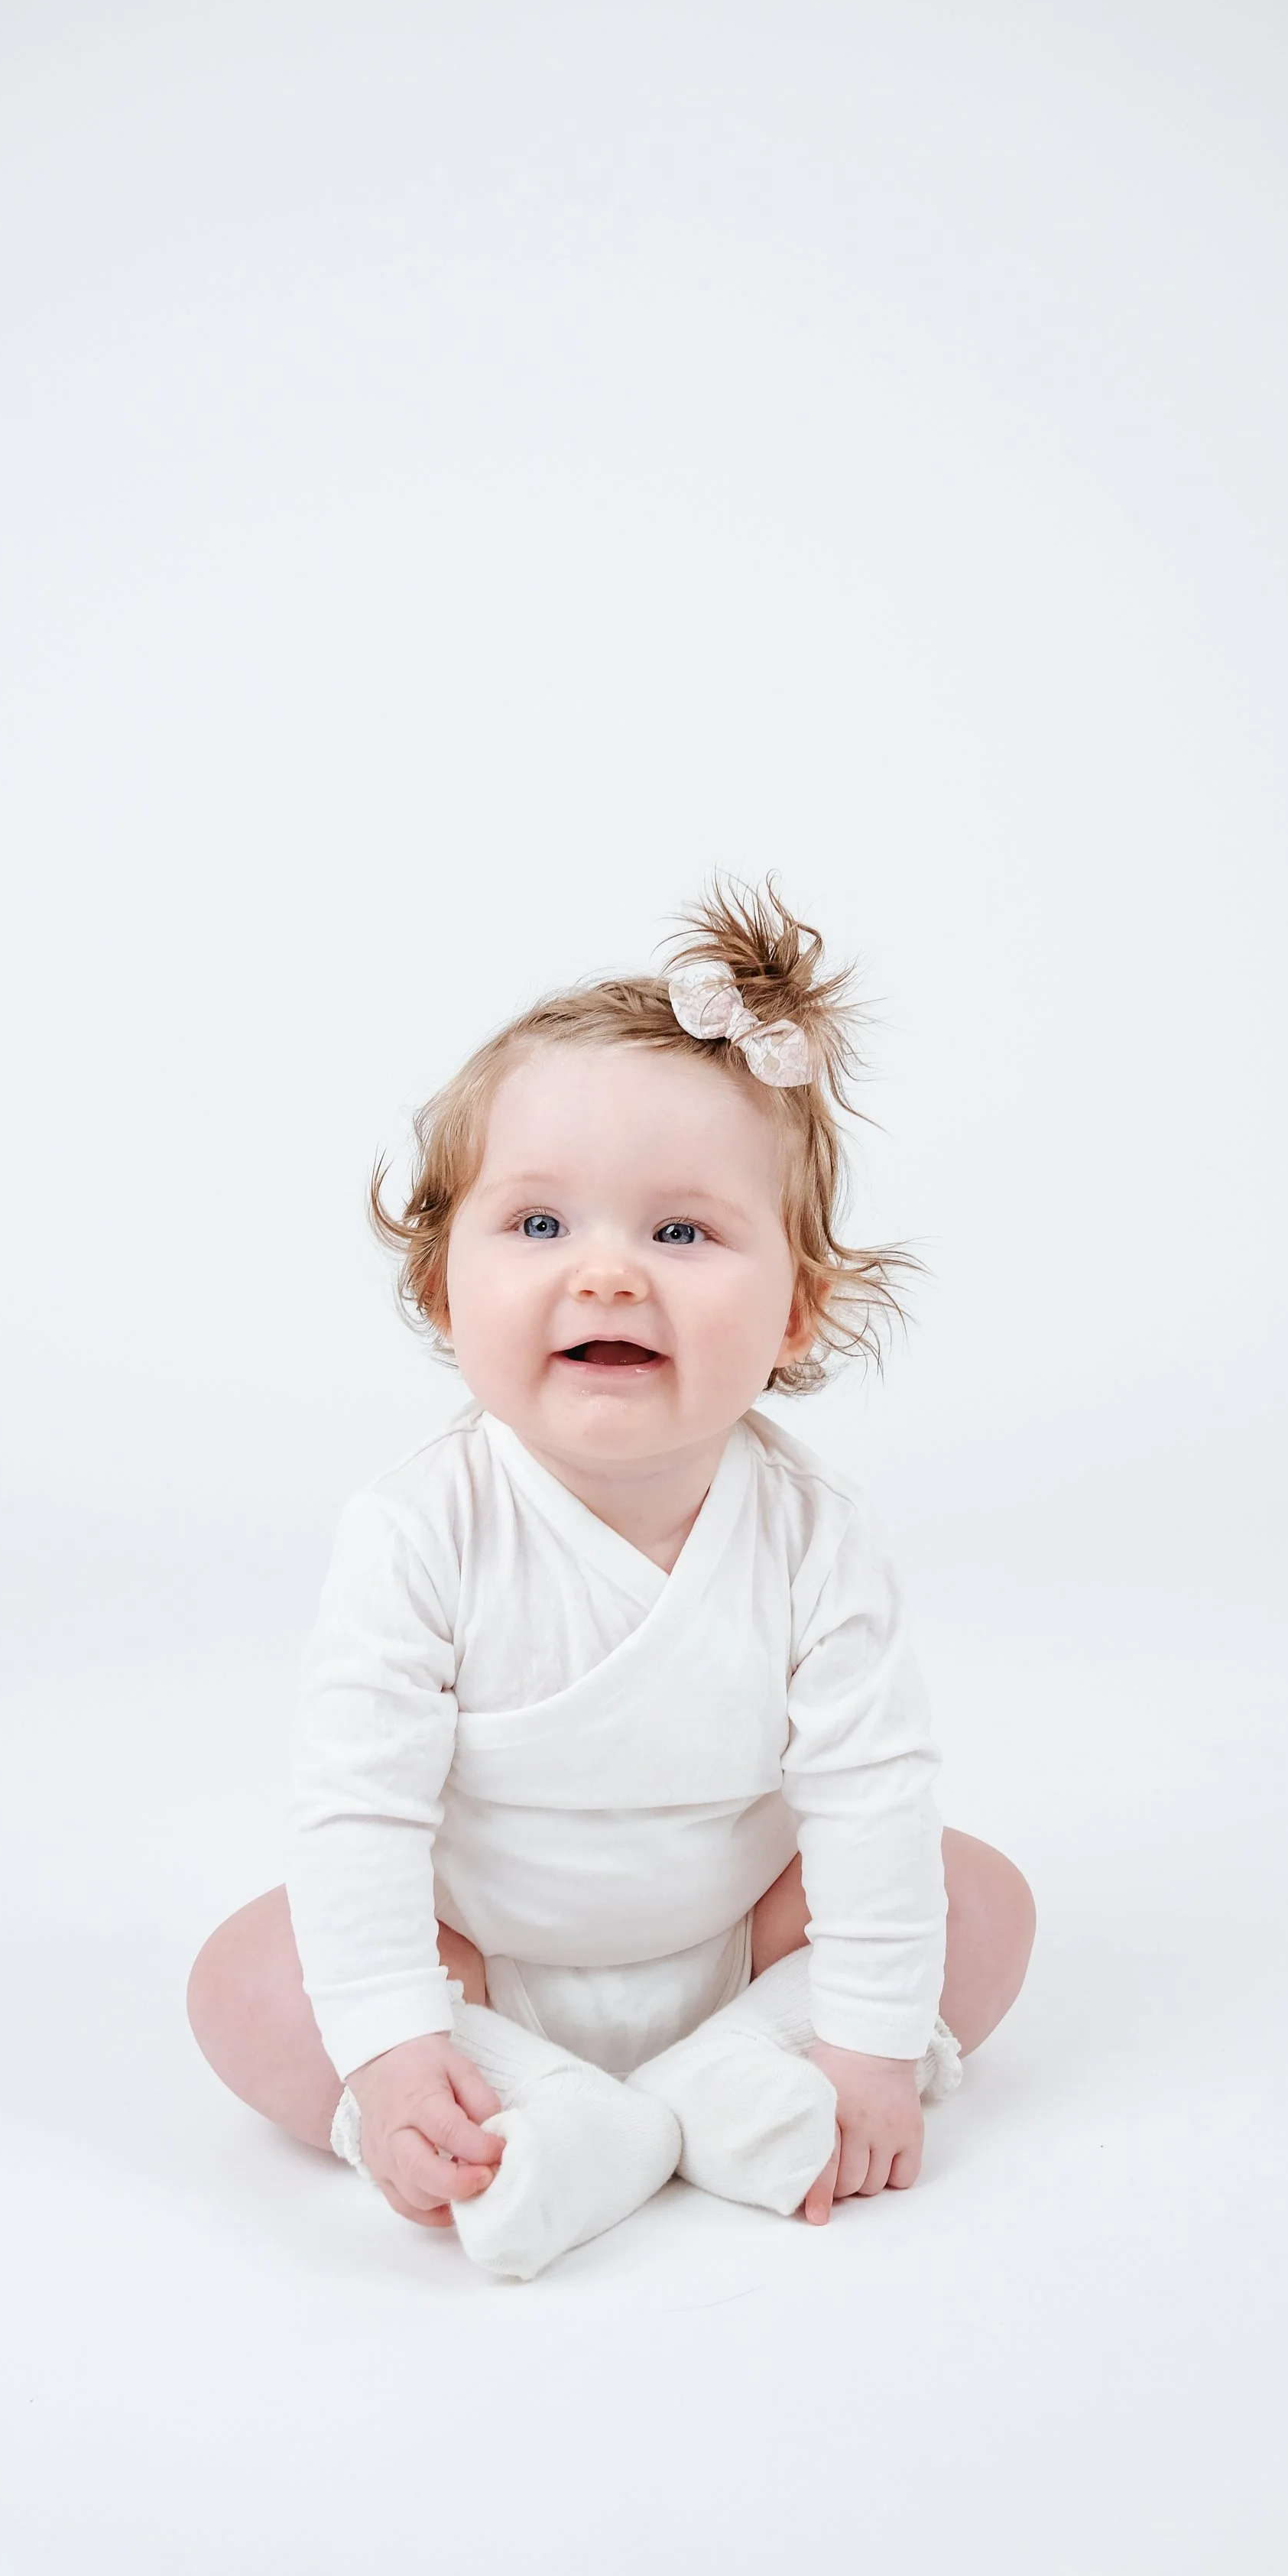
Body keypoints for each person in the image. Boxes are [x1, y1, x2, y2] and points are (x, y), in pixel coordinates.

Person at [187, 877, 1034, 2278]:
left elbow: (871, 1788)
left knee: (984, 1903)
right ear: (443, 1283)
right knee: (244, 1981)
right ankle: (526, 2108)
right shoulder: (420, 1529)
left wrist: (871, 2043)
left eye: (682, 1231)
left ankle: (745, 2070)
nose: (608, 1276)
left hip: (747, 1941)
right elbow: (360, 1811)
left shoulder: (816, 1532)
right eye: (537, 1227)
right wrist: (400, 2051)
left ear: (798, 1306)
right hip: (479, 1964)